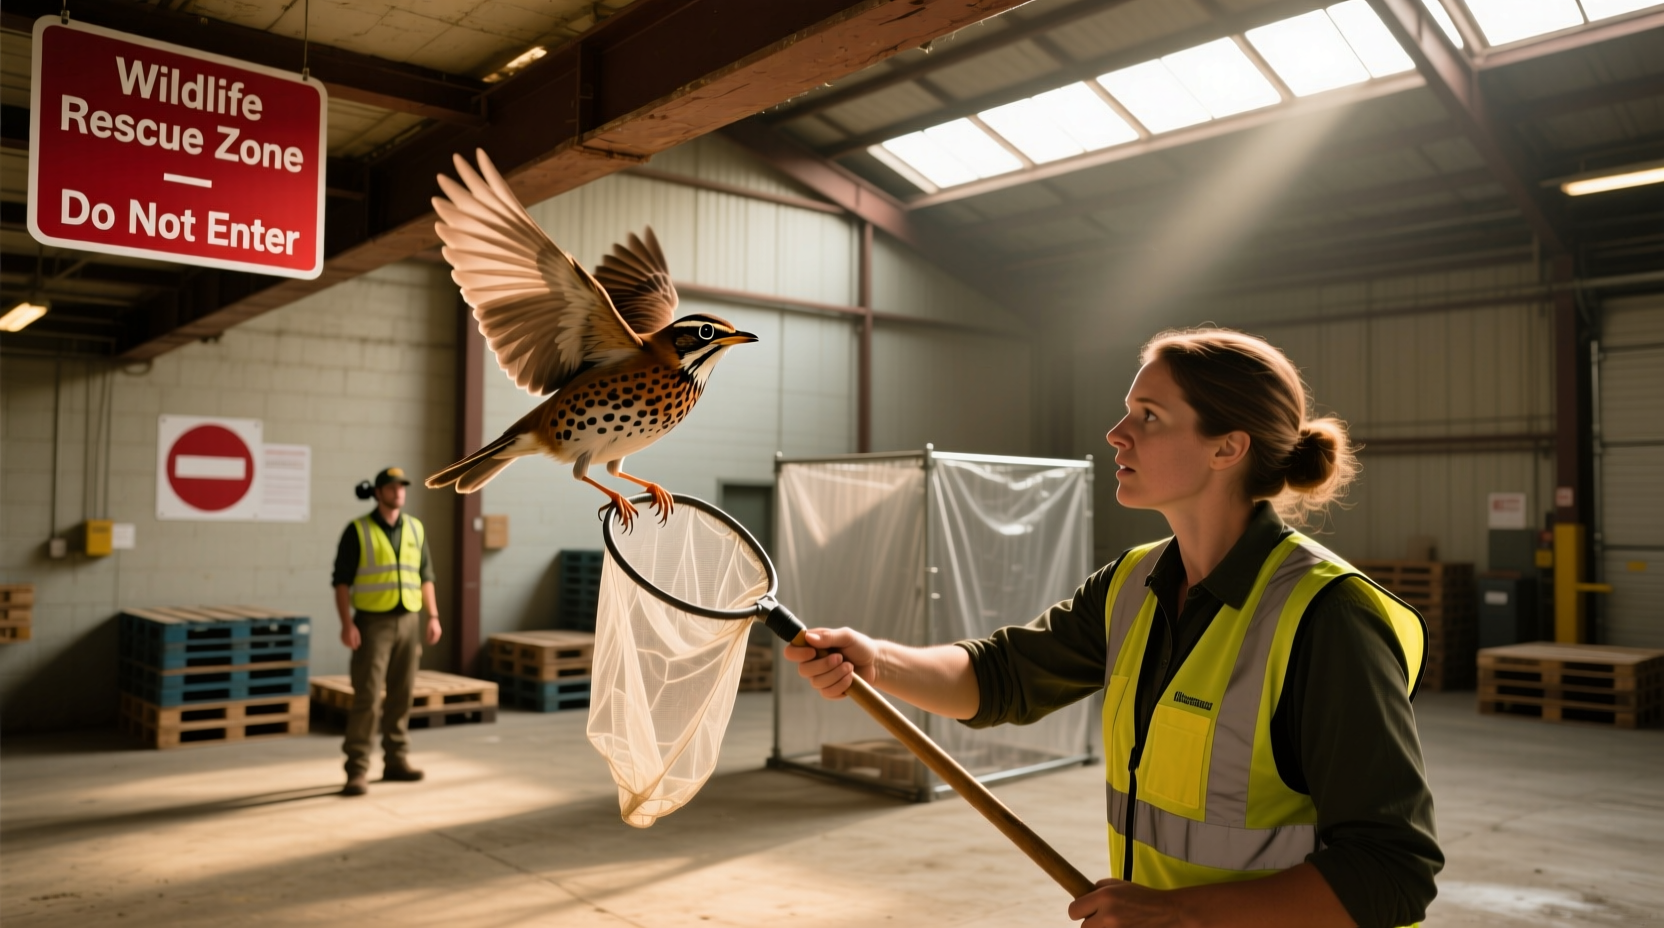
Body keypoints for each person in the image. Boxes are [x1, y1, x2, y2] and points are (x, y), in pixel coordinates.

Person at [786, 328, 1442, 928]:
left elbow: (1391, 872)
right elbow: (1000, 678)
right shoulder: (1133, 585)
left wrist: (1180, 914)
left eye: (1149, 417)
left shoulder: (1328, 618)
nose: (1117, 433)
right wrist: (876, 661)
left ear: (1227, 447)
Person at [331, 466, 442, 797]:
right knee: (367, 697)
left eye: (402, 487)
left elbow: (426, 576)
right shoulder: (357, 530)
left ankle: (396, 760)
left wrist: (433, 616)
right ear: (377, 492)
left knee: (401, 695)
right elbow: (341, 582)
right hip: (371, 623)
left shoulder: (415, 528)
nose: (399, 492)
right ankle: (357, 770)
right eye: (392, 487)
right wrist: (346, 623)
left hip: (409, 620)